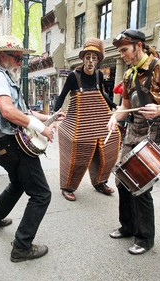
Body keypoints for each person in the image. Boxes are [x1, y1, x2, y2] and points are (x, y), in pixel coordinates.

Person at [0, 35, 65, 262]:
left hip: (7, 144)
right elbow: (8, 111)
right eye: (17, 57)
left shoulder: (5, 77)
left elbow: (23, 112)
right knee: (41, 194)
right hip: (12, 143)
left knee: (17, 184)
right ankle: (22, 247)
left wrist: (51, 117)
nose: (21, 62)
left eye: (22, 58)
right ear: (3, 56)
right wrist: (42, 129)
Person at [107, 29, 160, 255]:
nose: (121, 54)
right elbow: (123, 107)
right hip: (134, 128)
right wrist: (114, 118)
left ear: (138, 46)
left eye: (124, 50)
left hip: (156, 129)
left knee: (140, 185)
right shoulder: (129, 74)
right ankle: (128, 226)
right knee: (122, 178)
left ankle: (145, 238)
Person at [54, 38, 120, 201]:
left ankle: (100, 182)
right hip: (79, 123)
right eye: (88, 57)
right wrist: (55, 113)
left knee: (109, 144)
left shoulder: (98, 75)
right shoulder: (73, 76)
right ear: (83, 58)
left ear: (98, 60)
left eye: (94, 58)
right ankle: (67, 186)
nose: (91, 61)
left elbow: (102, 93)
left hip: (99, 120)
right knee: (78, 152)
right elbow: (62, 96)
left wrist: (113, 105)